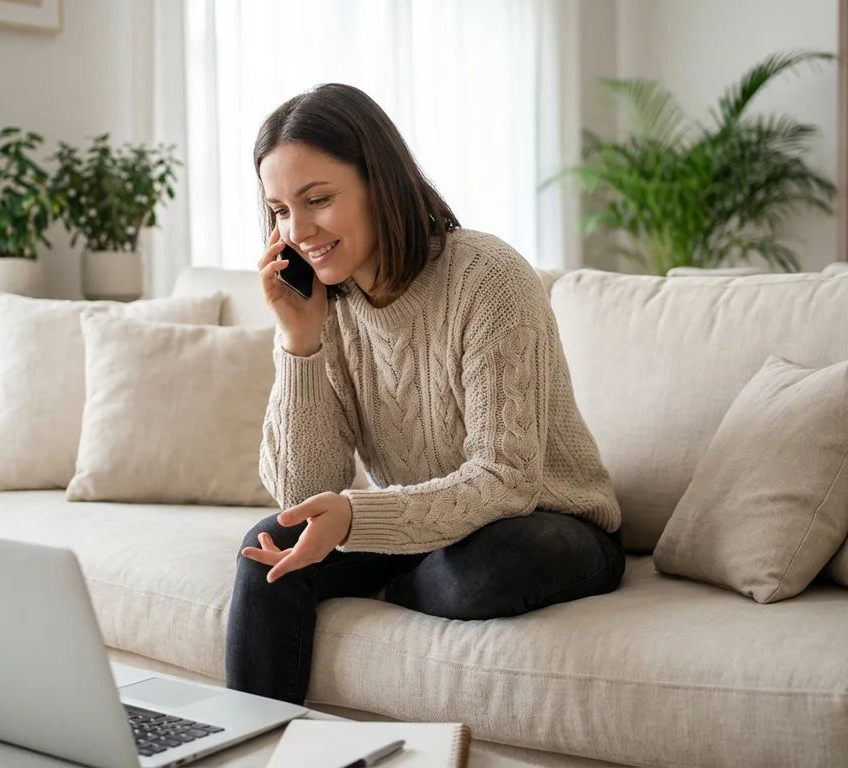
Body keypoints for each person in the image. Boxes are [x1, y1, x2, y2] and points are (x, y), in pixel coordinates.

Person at [225, 83, 624, 706]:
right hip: (427, 528)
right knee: (268, 550)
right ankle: (253, 744)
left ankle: (394, 581)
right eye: (278, 210)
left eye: (318, 200)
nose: (297, 230)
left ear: (380, 182)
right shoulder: (324, 305)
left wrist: (360, 520)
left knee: (491, 566)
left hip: (547, 525)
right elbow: (302, 495)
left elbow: (507, 479)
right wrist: (299, 342)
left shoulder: (487, 277)